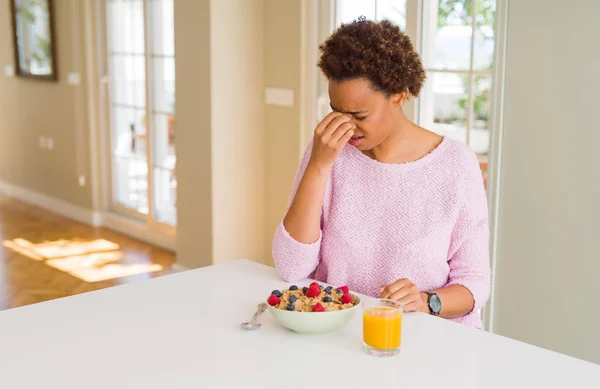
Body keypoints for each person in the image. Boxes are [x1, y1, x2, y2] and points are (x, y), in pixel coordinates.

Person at [272, 18, 490, 328]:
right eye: (336, 111)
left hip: (427, 338)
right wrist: (318, 167)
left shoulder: (456, 164)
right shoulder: (327, 151)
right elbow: (291, 268)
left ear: (399, 95)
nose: (346, 126)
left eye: (359, 115)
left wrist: (428, 301)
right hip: (340, 333)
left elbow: (475, 283)